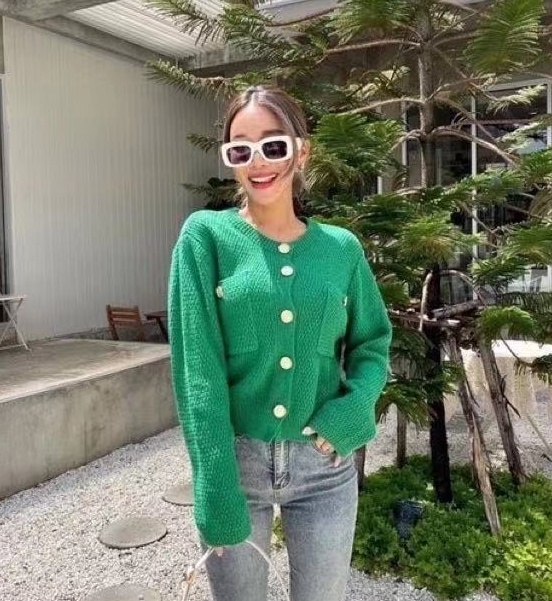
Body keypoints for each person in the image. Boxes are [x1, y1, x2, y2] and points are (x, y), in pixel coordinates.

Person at [168, 85, 392, 601]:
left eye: (273, 145)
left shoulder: (341, 249)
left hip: (324, 470)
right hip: (237, 468)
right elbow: (197, 372)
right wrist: (214, 484)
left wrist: (352, 412)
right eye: (240, 149)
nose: (258, 162)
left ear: (302, 151)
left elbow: (373, 343)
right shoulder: (205, 238)